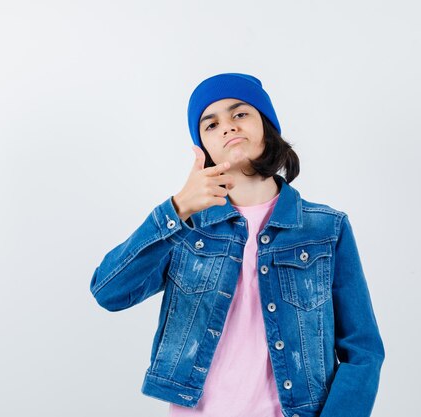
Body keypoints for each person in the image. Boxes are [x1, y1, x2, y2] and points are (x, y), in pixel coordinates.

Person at [90, 73, 385, 417]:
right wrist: (177, 209)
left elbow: (362, 349)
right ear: (202, 147)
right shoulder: (185, 227)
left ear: (266, 124)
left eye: (240, 113)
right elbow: (108, 292)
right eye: (210, 124)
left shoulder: (325, 228)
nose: (227, 127)